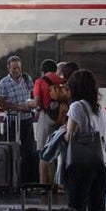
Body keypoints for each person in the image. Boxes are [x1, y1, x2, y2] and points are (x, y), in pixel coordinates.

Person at [62, 69, 106, 211]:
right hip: (101, 164)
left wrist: (62, 133)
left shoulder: (76, 107)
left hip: (81, 167)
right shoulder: (101, 110)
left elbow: (70, 135)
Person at [0, 55, 38, 184]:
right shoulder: (4, 82)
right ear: (8, 68)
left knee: (28, 148)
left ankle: (28, 179)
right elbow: (1, 102)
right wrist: (19, 107)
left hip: (26, 119)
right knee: (11, 148)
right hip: (12, 120)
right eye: (14, 68)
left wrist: (31, 106)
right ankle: (10, 178)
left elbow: (33, 95)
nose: (17, 71)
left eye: (18, 68)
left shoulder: (27, 79)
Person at [32, 59, 66, 191]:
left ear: (42, 71)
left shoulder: (40, 81)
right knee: (60, 151)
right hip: (61, 117)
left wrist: (28, 104)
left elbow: (36, 102)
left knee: (43, 151)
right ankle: (61, 185)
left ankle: (43, 185)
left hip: (46, 118)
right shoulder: (63, 81)